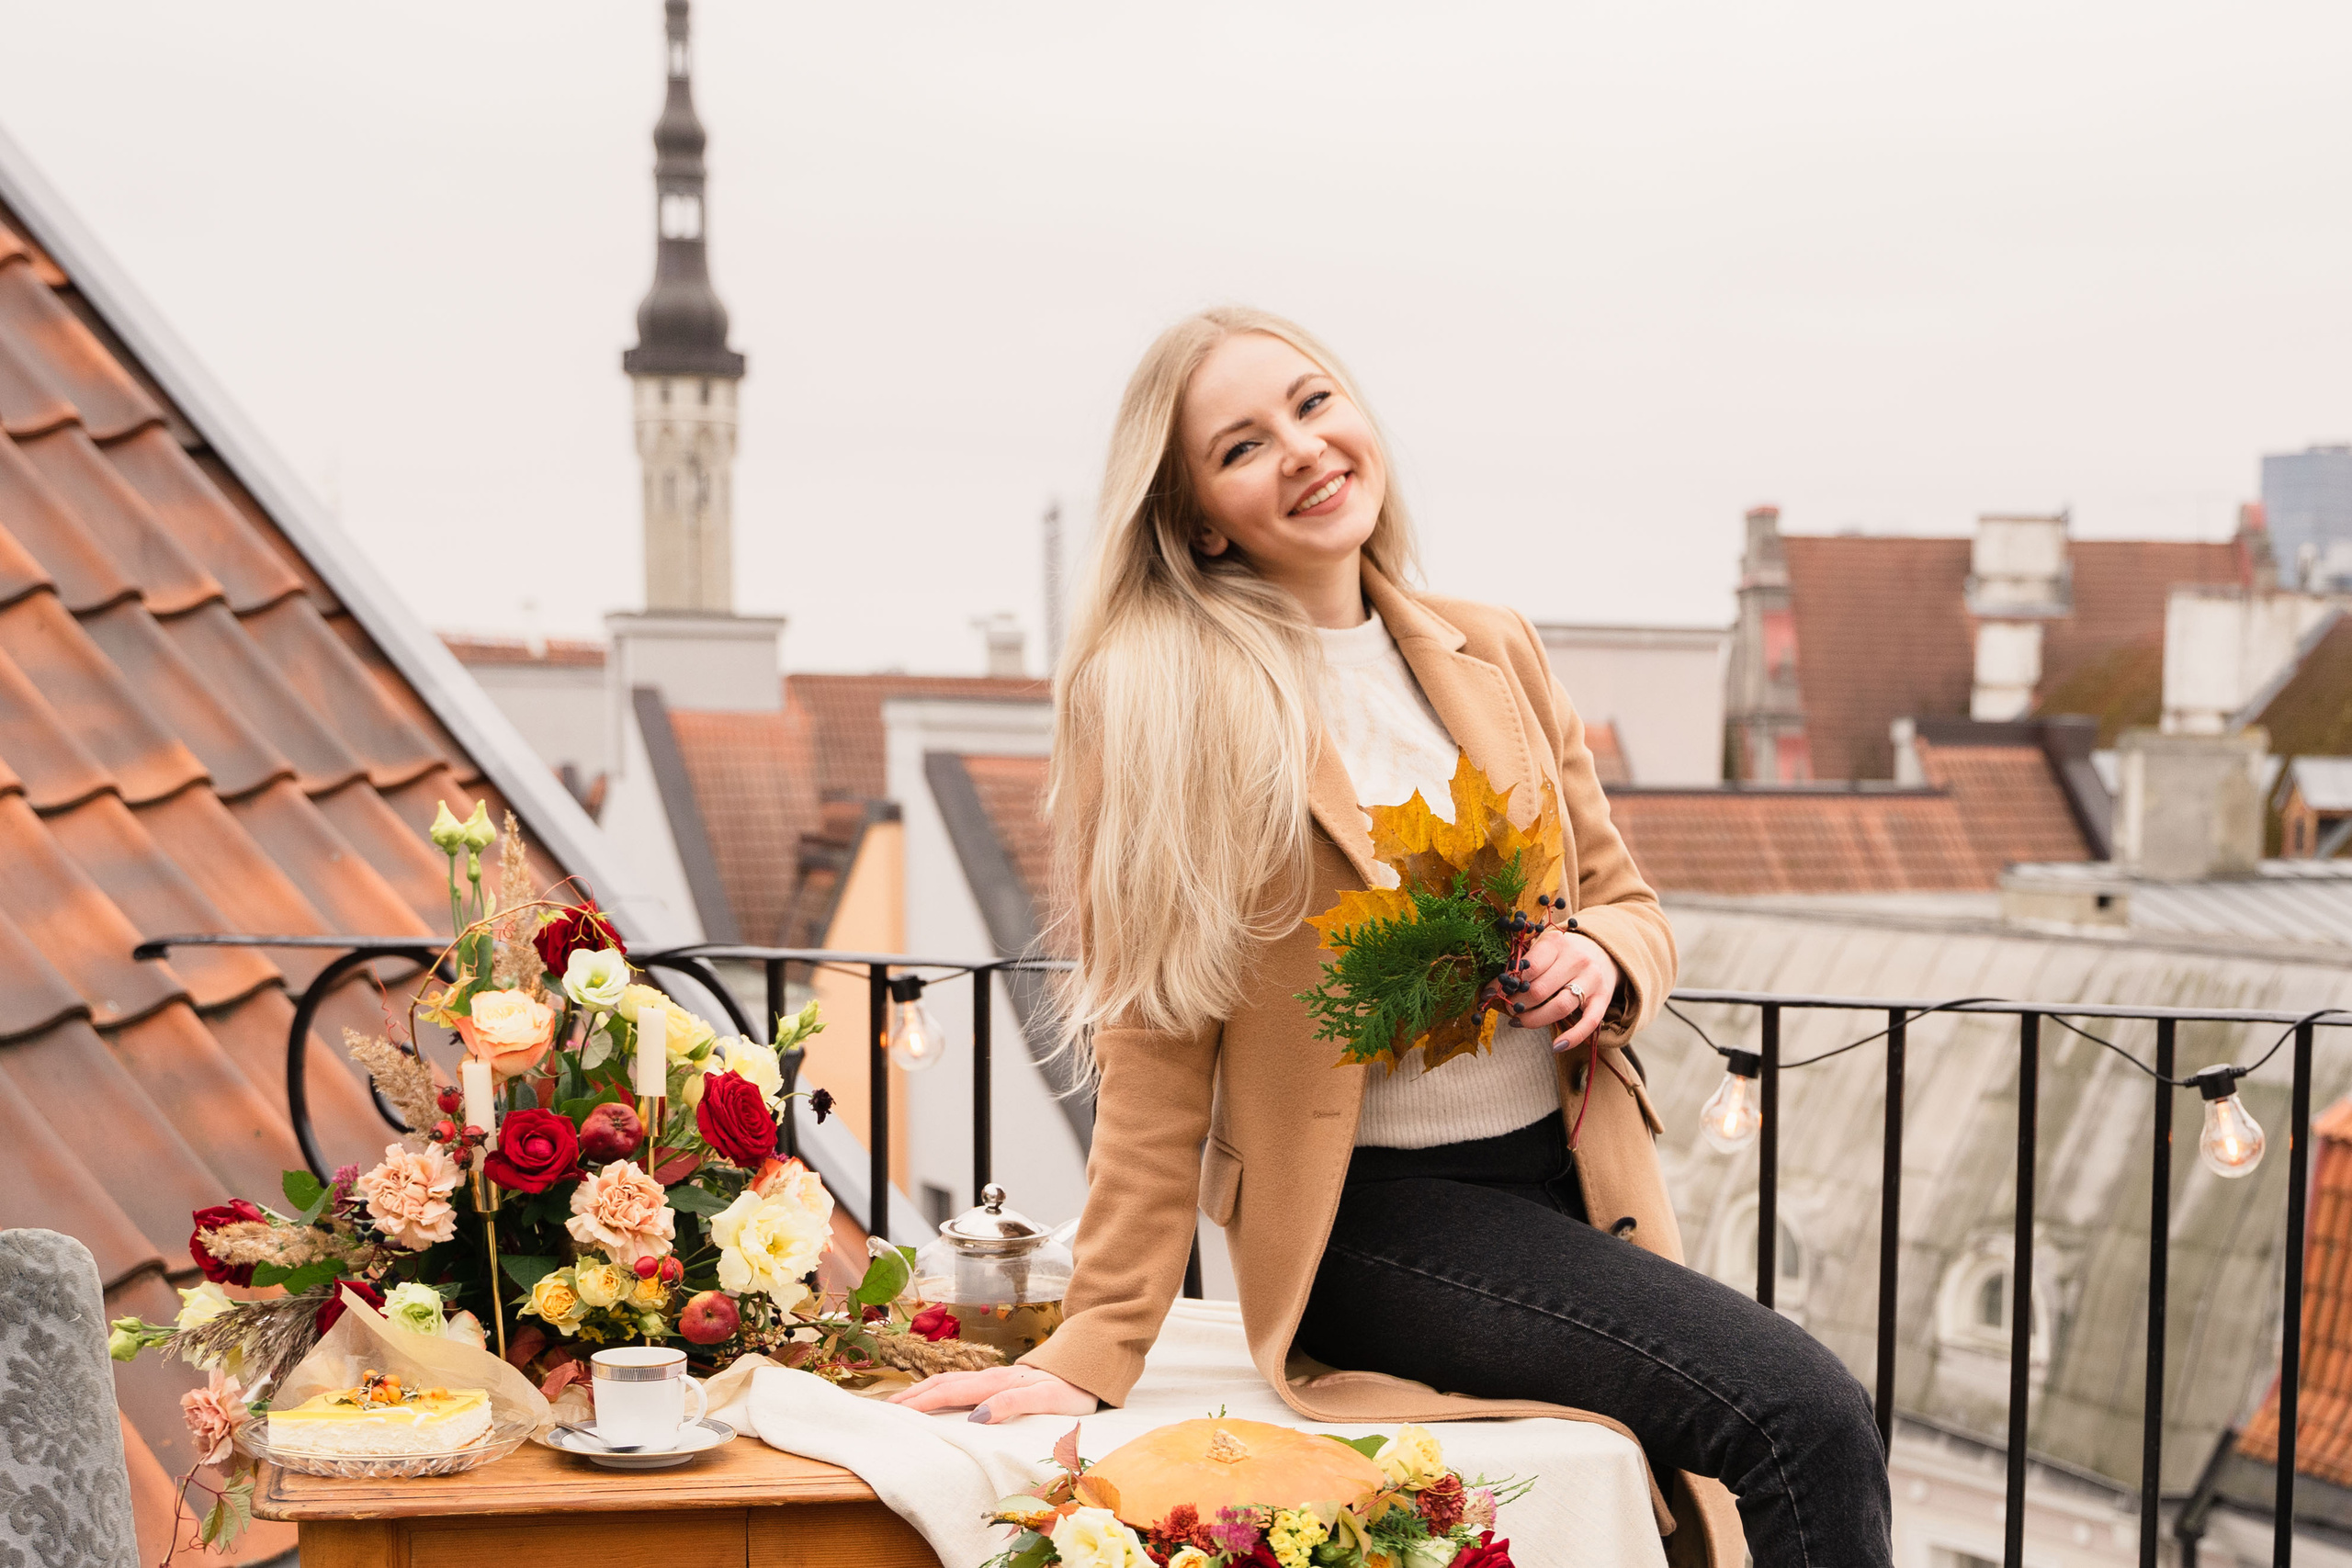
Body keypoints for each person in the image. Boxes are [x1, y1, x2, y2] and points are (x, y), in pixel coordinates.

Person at [889, 307, 1890, 1566]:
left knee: (1778, 1429)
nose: (1304, 450)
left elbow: (1627, 902)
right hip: (1375, 1219)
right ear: (1200, 515)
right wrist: (1095, 1347)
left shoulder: (1495, 647)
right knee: (1802, 1416)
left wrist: (1605, 958)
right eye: (1244, 446)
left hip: (1572, 1182)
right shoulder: (1161, 702)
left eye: (1314, 404)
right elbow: (1154, 1048)